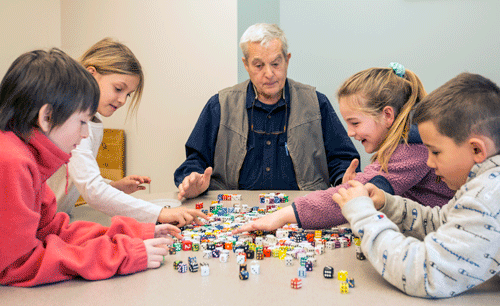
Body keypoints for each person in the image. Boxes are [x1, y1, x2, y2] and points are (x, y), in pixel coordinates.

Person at [0, 49, 181, 287]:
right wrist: (122, 255)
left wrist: (136, 232)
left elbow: (52, 230)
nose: (85, 133)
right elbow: (17, 265)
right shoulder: (11, 161)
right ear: (47, 117)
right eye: (82, 122)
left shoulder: (27, 157)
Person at [333, 72, 500, 298]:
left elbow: (425, 274)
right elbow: (442, 222)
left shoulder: (488, 196)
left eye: (436, 152)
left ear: (477, 149)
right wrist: (387, 204)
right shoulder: (484, 183)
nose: (429, 162)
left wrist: (362, 215)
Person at [233, 64, 454, 233]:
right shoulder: (408, 143)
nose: (349, 132)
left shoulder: (411, 149)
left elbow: (358, 197)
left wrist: (282, 216)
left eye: (355, 123)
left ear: (387, 115)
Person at [174, 23, 359, 200]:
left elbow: (342, 160)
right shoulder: (220, 105)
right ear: (246, 65)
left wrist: (343, 178)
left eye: (276, 64)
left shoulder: (317, 104)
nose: (269, 74)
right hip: (233, 210)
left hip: (300, 211)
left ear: (287, 60)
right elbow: (196, 160)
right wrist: (192, 180)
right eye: (259, 65)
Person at [47, 38, 206, 226]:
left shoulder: (89, 121)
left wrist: (112, 186)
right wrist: (159, 213)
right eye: (118, 89)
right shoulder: (71, 121)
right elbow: (92, 189)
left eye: (128, 94)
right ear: (91, 74)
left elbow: (78, 176)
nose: (122, 100)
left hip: (53, 220)